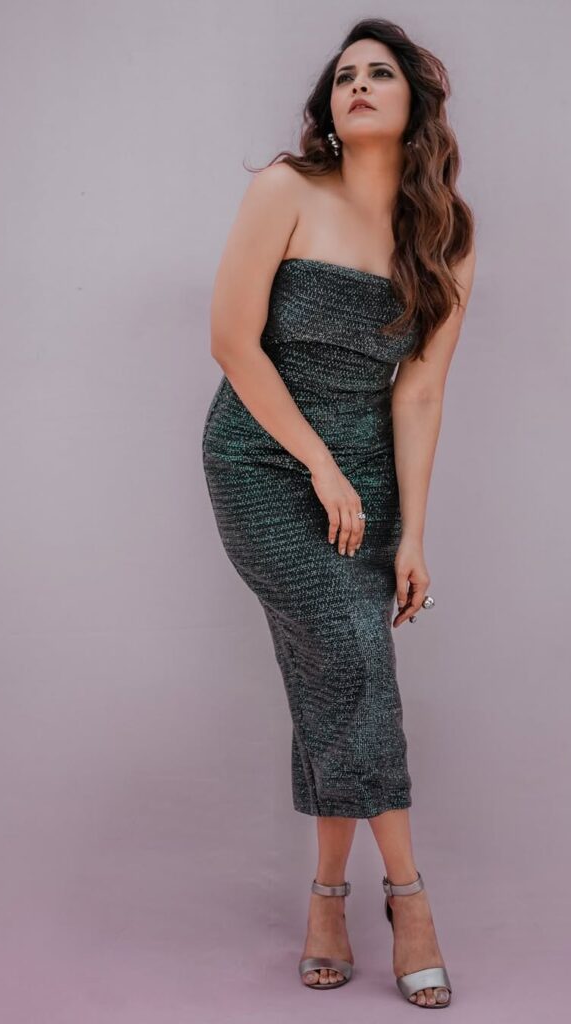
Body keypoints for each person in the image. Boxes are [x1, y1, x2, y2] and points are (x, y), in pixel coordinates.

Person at [201, 17, 475, 1009]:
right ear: (328, 104)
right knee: (356, 661)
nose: (358, 83)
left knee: (332, 677)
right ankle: (409, 896)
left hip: (369, 480)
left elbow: (420, 392)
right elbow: (232, 341)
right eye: (344, 74)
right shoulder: (286, 189)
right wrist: (317, 464)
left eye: (380, 73)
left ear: (414, 103)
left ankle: (326, 899)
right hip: (262, 459)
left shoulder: (446, 233)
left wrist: (415, 534)